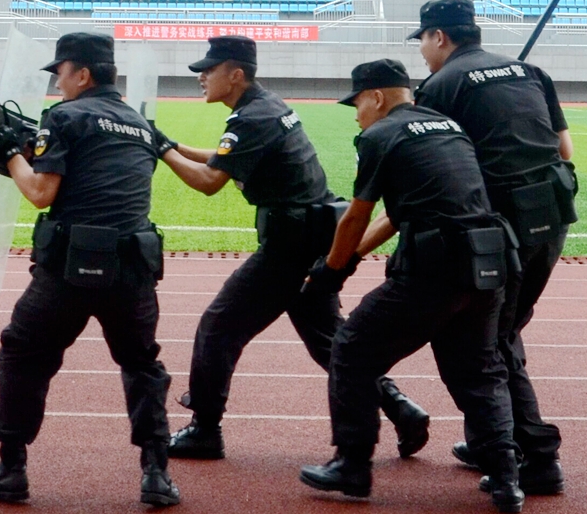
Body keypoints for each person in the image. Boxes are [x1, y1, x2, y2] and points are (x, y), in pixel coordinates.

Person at [154, 35, 429, 461]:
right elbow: (223, 158)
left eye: (209, 70)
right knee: (328, 340)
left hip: (290, 243)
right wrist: (167, 143)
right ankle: (401, 408)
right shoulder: (266, 106)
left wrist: (161, 150)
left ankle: (204, 429)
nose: (202, 77)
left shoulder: (251, 117)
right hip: (312, 234)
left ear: (236, 74)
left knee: (219, 327)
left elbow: (210, 182)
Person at [298, 59, 524, 513]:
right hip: (488, 265)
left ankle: (352, 467)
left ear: (377, 97)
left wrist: (329, 272)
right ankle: (506, 479)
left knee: (352, 349)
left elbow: (358, 213)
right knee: (480, 370)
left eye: (357, 103)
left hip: (432, 270)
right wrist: (351, 258)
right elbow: (394, 216)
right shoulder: (448, 127)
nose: (357, 113)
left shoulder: (380, 136)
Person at [0, 33, 180, 507]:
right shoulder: (141, 124)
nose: (57, 84)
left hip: (70, 267)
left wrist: (11, 153)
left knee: (23, 354)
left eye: (60, 73)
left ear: (82, 74)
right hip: (133, 270)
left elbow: (42, 192)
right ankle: (156, 474)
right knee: (142, 364)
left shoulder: (65, 117)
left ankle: (11, 470)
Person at [411, 0, 575, 495]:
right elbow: (564, 150)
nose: (422, 51)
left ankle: (537, 457)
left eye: (422, 40)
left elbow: (438, 170)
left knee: (485, 340)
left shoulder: (440, 86)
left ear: (440, 37)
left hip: (500, 226)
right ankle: (491, 440)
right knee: (501, 330)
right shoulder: (530, 71)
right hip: (551, 215)